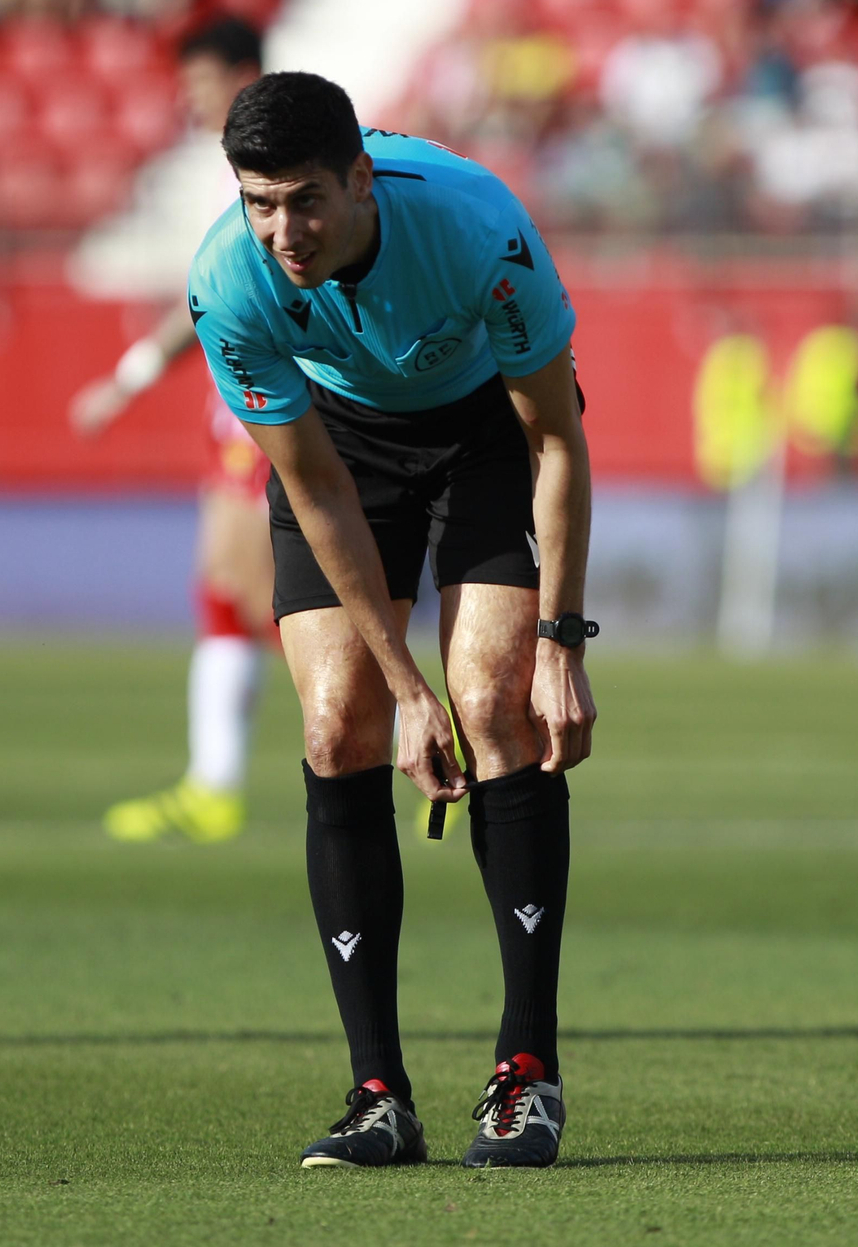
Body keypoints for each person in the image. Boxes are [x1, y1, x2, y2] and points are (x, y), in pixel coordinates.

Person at [188, 72, 596, 1168]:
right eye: (257, 201)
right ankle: (378, 1093)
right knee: (338, 728)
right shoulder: (227, 282)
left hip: (485, 430)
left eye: (307, 200)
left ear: (362, 178)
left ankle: (527, 1074)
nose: (283, 231)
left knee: (497, 708)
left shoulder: (476, 227)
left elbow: (555, 439)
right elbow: (314, 490)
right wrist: (399, 686)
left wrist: (562, 641)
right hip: (344, 448)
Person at [70, 16, 271, 844]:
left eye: (201, 84)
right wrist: (132, 379)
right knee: (225, 592)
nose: (191, 101)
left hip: (277, 395)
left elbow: (235, 299)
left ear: (242, 75)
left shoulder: (277, 168)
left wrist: (127, 380)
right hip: (237, 398)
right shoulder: (220, 174)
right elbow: (207, 300)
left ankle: (415, 736)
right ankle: (213, 786)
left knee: (268, 592)